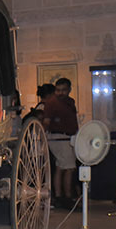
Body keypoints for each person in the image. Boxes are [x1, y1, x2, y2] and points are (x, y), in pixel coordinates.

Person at [43, 77, 78, 208]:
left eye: (63, 90)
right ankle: (65, 196)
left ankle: (60, 195)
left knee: (61, 166)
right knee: (69, 167)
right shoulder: (52, 102)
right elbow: (46, 121)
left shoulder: (70, 102)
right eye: (58, 90)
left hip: (68, 137)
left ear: (69, 90)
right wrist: (42, 137)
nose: (60, 93)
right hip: (58, 137)